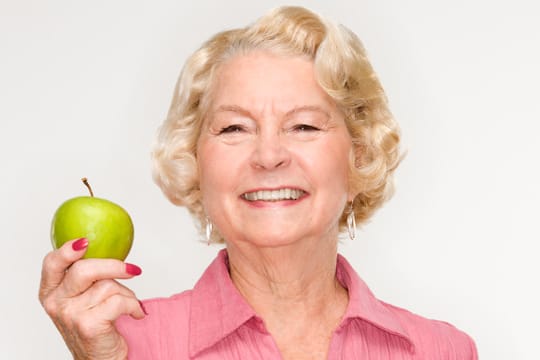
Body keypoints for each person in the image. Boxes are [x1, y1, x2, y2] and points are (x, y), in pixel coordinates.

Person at [39, 6, 478, 359]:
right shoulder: (124, 345)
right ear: (194, 163)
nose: (269, 156)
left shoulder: (443, 351)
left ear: (358, 155)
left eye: (304, 126)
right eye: (234, 129)